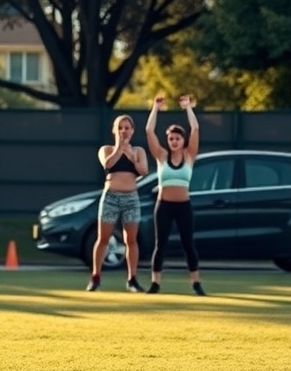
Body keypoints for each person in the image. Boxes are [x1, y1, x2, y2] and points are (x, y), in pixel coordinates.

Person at [144, 94, 204, 296]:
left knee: (188, 244)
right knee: (160, 244)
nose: (174, 141)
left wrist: (188, 108)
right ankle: (155, 283)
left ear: (183, 140)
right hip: (164, 206)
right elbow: (149, 131)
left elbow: (195, 129)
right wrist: (155, 108)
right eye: (171, 139)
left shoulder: (189, 155)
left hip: (183, 206)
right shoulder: (162, 156)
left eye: (177, 138)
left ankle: (196, 283)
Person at [87, 114, 149, 292]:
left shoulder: (138, 151)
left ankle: (132, 279)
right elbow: (107, 164)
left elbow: (143, 171)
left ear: (132, 131)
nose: (124, 131)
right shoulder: (106, 149)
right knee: (103, 238)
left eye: (127, 128)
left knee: (131, 239)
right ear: (114, 131)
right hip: (111, 197)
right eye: (120, 128)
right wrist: (119, 149)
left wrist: (131, 156)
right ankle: (95, 277)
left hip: (131, 198)